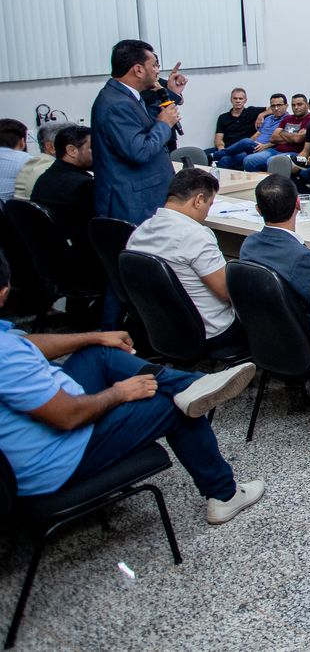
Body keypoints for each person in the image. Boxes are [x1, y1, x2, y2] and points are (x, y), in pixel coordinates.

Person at [0, 250, 265, 523]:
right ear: (4, 291)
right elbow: (68, 416)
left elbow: (24, 342)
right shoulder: (6, 355)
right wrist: (119, 393)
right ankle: (225, 495)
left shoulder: (7, 344)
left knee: (99, 354)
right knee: (174, 405)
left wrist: (95, 337)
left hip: (38, 433)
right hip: (53, 458)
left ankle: (194, 384)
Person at [125, 169, 245, 356]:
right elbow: (226, 292)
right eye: (210, 204)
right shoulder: (195, 235)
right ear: (199, 200)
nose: (207, 213)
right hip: (209, 331)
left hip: (159, 327)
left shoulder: (139, 232)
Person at [90, 40, 186, 225]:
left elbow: (144, 125)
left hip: (145, 196)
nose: (157, 71)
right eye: (154, 65)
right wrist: (164, 125)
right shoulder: (116, 104)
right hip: (133, 201)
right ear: (138, 70)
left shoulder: (125, 96)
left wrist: (170, 94)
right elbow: (139, 151)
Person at [237, 174, 310, 312]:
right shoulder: (304, 258)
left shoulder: (249, 244)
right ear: (298, 203)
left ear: (258, 210)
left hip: (260, 321)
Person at [29, 124, 96, 261]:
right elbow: (94, 230)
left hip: (51, 255)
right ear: (72, 150)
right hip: (80, 258)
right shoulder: (82, 185)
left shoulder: (46, 177)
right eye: (92, 148)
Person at [213, 88, 263, 162]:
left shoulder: (252, 112)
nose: (238, 101)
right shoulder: (223, 117)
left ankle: (216, 156)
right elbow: (218, 139)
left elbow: (272, 109)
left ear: (245, 100)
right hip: (226, 148)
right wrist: (221, 149)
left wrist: (261, 115)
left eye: (240, 98)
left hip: (243, 150)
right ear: (231, 100)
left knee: (225, 159)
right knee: (202, 154)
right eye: (235, 98)